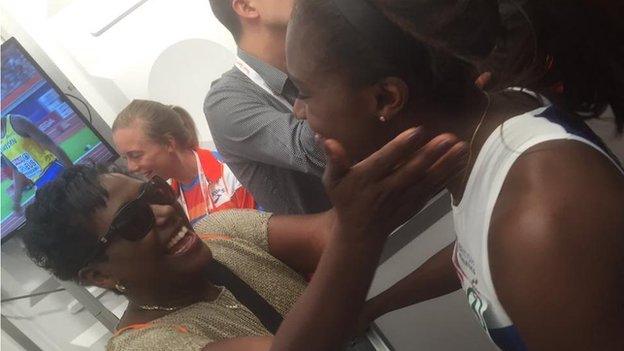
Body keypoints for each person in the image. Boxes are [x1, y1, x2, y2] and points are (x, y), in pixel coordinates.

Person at [285, 0, 624, 350]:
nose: (297, 111)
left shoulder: (539, 221)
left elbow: (518, 248)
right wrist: (377, 304)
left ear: (385, 98)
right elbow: (475, 252)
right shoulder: (478, 144)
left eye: (304, 92)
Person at [22, 125, 466, 351]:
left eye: (155, 192)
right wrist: (357, 228)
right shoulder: (147, 344)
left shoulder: (219, 231)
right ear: (98, 276)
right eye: (133, 222)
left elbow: (331, 232)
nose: (164, 212)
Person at [205, 0, 330, 214]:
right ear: (247, 6)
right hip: (368, 241)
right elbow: (321, 152)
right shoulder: (224, 102)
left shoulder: (321, 50)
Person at [112, 100, 256, 224]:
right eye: (125, 158)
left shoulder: (231, 171)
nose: (131, 167)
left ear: (169, 143)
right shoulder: (169, 200)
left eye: (136, 155)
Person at [1, 113, 73, 213]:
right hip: (40, 183)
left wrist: (74, 171)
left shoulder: (17, 122)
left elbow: (51, 145)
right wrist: (17, 202)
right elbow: (16, 169)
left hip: (54, 170)